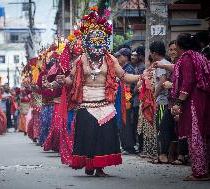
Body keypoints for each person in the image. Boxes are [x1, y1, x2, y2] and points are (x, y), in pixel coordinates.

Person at [54, 8, 146, 176]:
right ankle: (89, 165)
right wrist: (62, 81)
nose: (97, 45)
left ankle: (99, 166)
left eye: (100, 42)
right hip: (86, 104)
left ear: (104, 43)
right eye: (93, 42)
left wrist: (141, 76)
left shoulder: (110, 58)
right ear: (88, 44)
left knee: (104, 137)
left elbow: (124, 76)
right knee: (88, 136)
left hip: (106, 103)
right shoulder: (81, 59)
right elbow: (71, 81)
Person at [155, 33, 210, 181]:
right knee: (202, 136)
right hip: (203, 100)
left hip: (193, 101)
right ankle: (204, 169)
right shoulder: (199, 56)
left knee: (195, 135)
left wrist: (179, 101)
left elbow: (188, 82)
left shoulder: (186, 58)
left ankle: (199, 172)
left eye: (176, 47)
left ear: (180, 46)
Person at [149, 41, 171, 164]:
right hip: (166, 100)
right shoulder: (167, 63)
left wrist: (153, 96)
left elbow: (162, 82)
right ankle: (162, 154)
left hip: (163, 101)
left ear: (154, 53)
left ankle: (162, 154)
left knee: (161, 128)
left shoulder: (160, 64)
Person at [114, 47, 136, 154]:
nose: (118, 57)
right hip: (122, 98)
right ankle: (125, 145)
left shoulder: (129, 69)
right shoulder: (122, 67)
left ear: (126, 57)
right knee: (123, 123)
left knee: (126, 123)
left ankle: (129, 147)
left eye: (120, 56)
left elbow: (128, 84)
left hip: (127, 98)